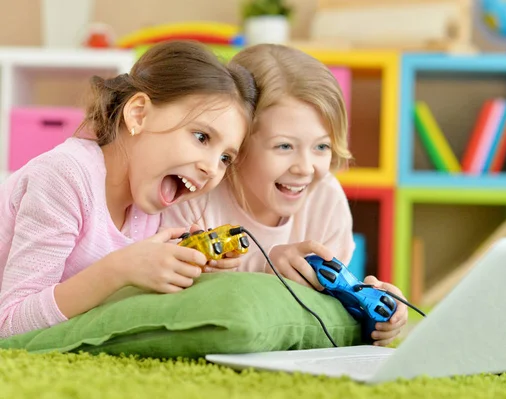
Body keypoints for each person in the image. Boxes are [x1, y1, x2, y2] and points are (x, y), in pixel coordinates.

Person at [0, 40, 258, 338]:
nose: (212, 169)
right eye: (201, 137)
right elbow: (9, 325)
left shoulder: (151, 200)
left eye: (226, 158)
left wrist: (185, 266)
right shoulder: (63, 177)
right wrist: (120, 270)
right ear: (138, 114)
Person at [161, 44, 407, 347]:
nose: (306, 168)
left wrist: (374, 307)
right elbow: (170, 302)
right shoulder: (194, 196)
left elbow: (331, 308)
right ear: (237, 146)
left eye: (321, 147)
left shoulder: (326, 200)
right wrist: (266, 273)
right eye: (284, 146)